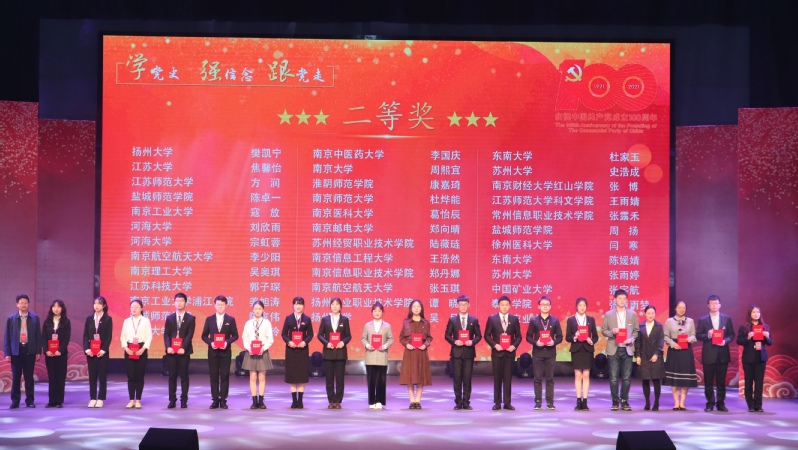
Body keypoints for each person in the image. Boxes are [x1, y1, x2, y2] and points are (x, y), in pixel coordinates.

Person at [601, 289, 640, 411]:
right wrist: (612, 332)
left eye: (624, 299)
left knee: (626, 378)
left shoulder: (632, 314)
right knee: (613, 377)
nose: (622, 301)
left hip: (627, 348)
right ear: (615, 299)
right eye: (619, 298)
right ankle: (615, 400)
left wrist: (631, 339)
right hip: (613, 348)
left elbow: (636, 331)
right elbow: (603, 330)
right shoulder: (609, 314)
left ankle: (624, 400)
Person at [695, 294, 735, 412]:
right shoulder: (703, 320)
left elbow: (731, 334)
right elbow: (698, 335)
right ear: (708, 305)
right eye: (712, 304)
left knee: (721, 381)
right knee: (708, 381)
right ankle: (710, 403)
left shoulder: (726, 319)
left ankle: (721, 403)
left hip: (722, 353)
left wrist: (725, 341)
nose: (714, 305)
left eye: (716, 303)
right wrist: (708, 335)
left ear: (720, 305)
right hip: (709, 354)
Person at [484, 295, 522, 410]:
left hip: (509, 353)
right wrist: (495, 345)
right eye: (502, 305)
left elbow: (519, 336)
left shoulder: (514, 319)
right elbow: (487, 335)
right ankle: (497, 402)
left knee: (508, 378)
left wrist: (513, 346)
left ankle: (507, 402)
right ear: (498, 306)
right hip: (497, 353)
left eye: (506, 305)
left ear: (509, 306)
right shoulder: (492, 319)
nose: (504, 307)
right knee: (497, 378)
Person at [443, 294, 482, 410]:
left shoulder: (474, 320)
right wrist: (455, 341)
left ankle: (466, 402)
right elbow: (447, 335)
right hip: (456, 353)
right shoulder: (453, 320)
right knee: (457, 378)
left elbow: (479, 336)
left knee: (467, 378)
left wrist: (472, 341)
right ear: (457, 306)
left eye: (465, 304)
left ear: (469, 305)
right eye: (461, 305)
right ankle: (458, 402)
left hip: (469, 353)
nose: (463, 306)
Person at [4, 294, 42, 409]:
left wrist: (38, 351)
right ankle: (15, 401)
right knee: (16, 377)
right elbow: (7, 337)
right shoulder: (11, 318)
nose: (24, 305)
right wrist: (7, 353)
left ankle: (30, 401)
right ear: (17, 304)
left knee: (29, 377)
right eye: (21, 303)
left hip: (30, 350)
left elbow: (38, 335)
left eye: (26, 303)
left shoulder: (35, 318)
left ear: (28, 304)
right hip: (16, 351)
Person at [201, 295, 239, 409]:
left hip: (225, 352)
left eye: (222, 304)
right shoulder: (209, 319)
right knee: (213, 375)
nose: (220, 306)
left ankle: (223, 399)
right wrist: (211, 343)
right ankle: (215, 399)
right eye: (218, 304)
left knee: (224, 375)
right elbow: (204, 336)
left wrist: (227, 342)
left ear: (226, 305)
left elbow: (235, 335)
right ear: (214, 305)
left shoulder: (230, 319)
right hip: (213, 351)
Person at [526, 295, 563, 410]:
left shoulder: (555, 320)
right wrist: (536, 342)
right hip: (538, 353)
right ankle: (538, 401)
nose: (545, 306)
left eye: (547, 304)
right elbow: (528, 337)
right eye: (543, 304)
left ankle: (550, 402)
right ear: (539, 306)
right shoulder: (534, 320)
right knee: (537, 378)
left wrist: (554, 342)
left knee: (550, 378)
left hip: (550, 353)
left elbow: (560, 337)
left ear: (550, 306)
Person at [565, 297, 599, 411]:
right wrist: (575, 337)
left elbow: (595, 336)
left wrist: (591, 340)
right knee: (578, 375)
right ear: (576, 307)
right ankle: (578, 400)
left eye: (584, 305)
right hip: (577, 350)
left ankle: (585, 401)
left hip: (587, 349)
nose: (582, 307)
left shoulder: (591, 319)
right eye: (580, 305)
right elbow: (567, 337)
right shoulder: (571, 320)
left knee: (586, 375)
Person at [663, 300, 698, 411]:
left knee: (685, 378)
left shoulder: (690, 321)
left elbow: (694, 335)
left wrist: (690, 338)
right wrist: (672, 344)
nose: (681, 309)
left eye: (683, 308)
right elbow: (665, 336)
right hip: (674, 350)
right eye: (679, 307)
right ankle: (676, 402)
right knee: (674, 378)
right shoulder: (669, 321)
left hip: (686, 351)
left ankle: (682, 402)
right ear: (675, 308)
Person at [736, 305, 772, 412]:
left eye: (758, 312)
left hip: (761, 358)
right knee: (748, 382)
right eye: (754, 312)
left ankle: (758, 405)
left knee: (759, 383)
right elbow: (739, 341)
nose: (756, 314)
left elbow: (770, 342)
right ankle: (750, 405)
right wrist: (748, 337)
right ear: (750, 314)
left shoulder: (765, 326)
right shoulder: (744, 327)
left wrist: (767, 336)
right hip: (748, 358)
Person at [318, 297, 351, 409]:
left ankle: (338, 401)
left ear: (340, 306)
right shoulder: (325, 319)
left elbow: (348, 336)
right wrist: (326, 343)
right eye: (333, 304)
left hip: (340, 352)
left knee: (340, 379)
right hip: (328, 352)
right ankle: (331, 400)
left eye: (337, 304)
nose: (335, 306)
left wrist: (343, 342)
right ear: (330, 306)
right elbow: (320, 335)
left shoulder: (345, 319)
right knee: (329, 379)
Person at [164, 292, 196, 409]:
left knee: (184, 376)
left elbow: (189, 335)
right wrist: (168, 347)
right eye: (177, 300)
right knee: (172, 376)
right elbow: (166, 334)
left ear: (185, 303)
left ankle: (184, 400)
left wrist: (183, 347)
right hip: (171, 351)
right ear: (174, 303)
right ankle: (172, 400)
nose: (179, 303)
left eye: (182, 300)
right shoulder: (170, 318)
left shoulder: (191, 318)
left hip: (184, 351)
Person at [399, 299, 433, 409]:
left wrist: (425, 345)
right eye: (414, 307)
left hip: (421, 352)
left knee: (420, 377)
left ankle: (417, 401)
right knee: (410, 377)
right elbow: (401, 337)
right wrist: (407, 344)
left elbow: (429, 337)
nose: (416, 309)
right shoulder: (406, 322)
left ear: (421, 308)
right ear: (411, 309)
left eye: (418, 306)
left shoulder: (426, 322)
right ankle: (412, 401)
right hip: (410, 352)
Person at [281, 296, 313, 409]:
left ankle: (300, 400)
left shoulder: (307, 319)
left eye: (300, 304)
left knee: (301, 375)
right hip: (291, 350)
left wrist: (304, 342)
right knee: (293, 375)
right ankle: (294, 401)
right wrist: (289, 342)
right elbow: (283, 334)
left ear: (303, 306)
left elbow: (310, 334)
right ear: (293, 305)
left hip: (302, 350)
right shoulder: (288, 318)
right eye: (296, 304)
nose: (298, 306)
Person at [120, 299, 153, 409]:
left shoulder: (145, 321)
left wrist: (143, 349)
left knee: (139, 375)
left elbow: (149, 337)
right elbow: (123, 336)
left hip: (141, 349)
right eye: (132, 307)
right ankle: (131, 400)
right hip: (129, 349)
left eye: (136, 307)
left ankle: (138, 400)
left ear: (141, 308)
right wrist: (126, 348)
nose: (134, 309)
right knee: (131, 376)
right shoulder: (126, 321)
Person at [242, 300, 274, 410]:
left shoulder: (267, 323)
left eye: (260, 309)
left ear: (263, 310)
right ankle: (254, 401)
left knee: (262, 377)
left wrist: (263, 348)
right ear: (252, 310)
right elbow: (245, 338)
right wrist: (249, 348)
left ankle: (261, 400)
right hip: (251, 351)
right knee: (252, 377)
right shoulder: (248, 323)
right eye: (256, 309)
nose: (257, 311)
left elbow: (270, 339)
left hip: (262, 352)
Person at [361, 301, 394, 409]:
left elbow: (391, 339)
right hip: (370, 355)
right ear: (372, 312)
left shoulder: (387, 326)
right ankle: (372, 401)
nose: (377, 313)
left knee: (381, 380)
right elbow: (363, 338)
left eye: (379, 311)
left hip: (382, 355)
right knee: (371, 380)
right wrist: (367, 345)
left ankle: (379, 400)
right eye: (375, 311)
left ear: (382, 312)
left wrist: (385, 346)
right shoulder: (367, 325)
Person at [83, 296, 112, 407]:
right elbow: (85, 335)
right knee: (92, 376)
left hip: (102, 352)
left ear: (104, 305)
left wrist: (103, 350)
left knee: (102, 376)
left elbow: (108, 337)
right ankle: (92, 398)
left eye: (99, 303)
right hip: (91, 352)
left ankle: (100, 398)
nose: (96, 305)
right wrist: (87, 349)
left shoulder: (108, 319)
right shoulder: (89, 319)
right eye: (95, 303)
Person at [635, 305, 665, 411]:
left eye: (652, 313)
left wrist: (656, 354)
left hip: (656, 356)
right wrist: (638, 356)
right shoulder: (640, 326)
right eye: (648, 313)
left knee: (656, 380)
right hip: (644, 356)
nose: (651, 315)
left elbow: (661, 341)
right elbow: (637, 342)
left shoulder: (659, 326)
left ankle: (656, 403)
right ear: (645, 314)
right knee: (645, 380)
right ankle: (647, 402)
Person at [42, 299, 71, 408]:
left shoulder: (66, 322)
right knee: (52, 377)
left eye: (58, 306)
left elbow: (66, 338)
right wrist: (46, 350)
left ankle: (59, 400)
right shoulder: (47, 322)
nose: (56, 309)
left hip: (61, 354)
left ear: (62, 308)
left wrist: (60, 350)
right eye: (54, 306)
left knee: (60, 377)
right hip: (49, 354)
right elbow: (43, 337)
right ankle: (51, 400)